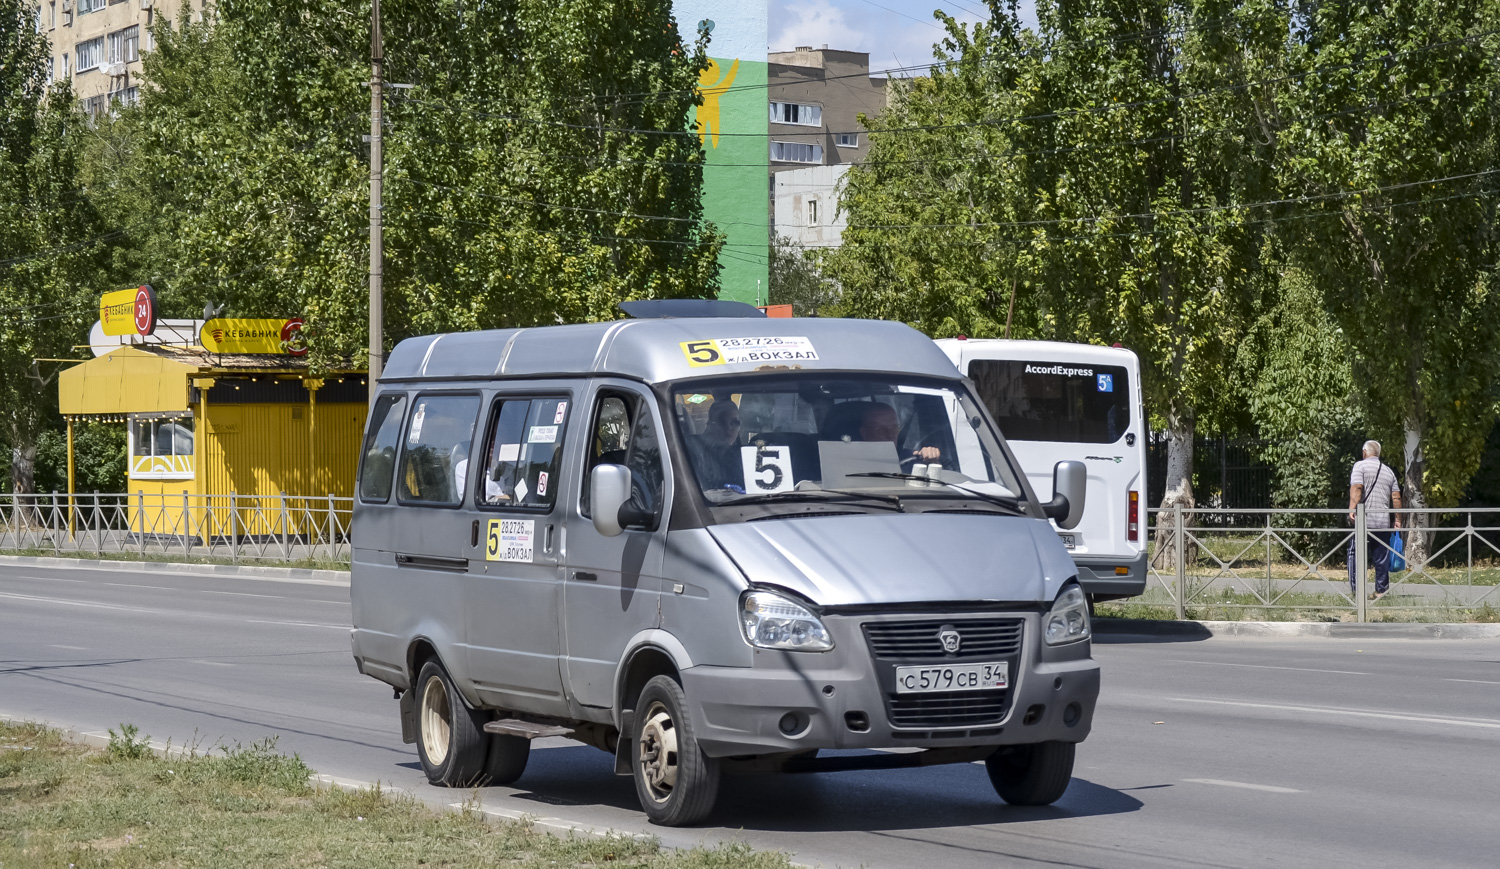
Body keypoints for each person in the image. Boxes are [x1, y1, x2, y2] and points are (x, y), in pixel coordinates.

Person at [1347, 439, 1402, 600]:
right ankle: (1381, 591)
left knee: (1354, 554)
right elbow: (1396, 497)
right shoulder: (1388, 471)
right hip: (1382, 522)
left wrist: (1352, 509)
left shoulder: (1360, 466)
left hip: (1362, 521)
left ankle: (1356, 592)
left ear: (1364, 452)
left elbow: (1357, 487)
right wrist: (1397, 519)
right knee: (1381, 558)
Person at [688, 400, 744, 490]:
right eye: (722, 421)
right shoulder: (695, 455)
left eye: (735, 422)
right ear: (710, 425)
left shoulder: (745, 456)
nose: (729, 427)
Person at [858, 403, 940, 463]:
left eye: (894, 428)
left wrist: (931, 461)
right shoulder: (852, 461)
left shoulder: (911, 459)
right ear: (864, 433)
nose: (890, 435)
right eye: (881, 430)